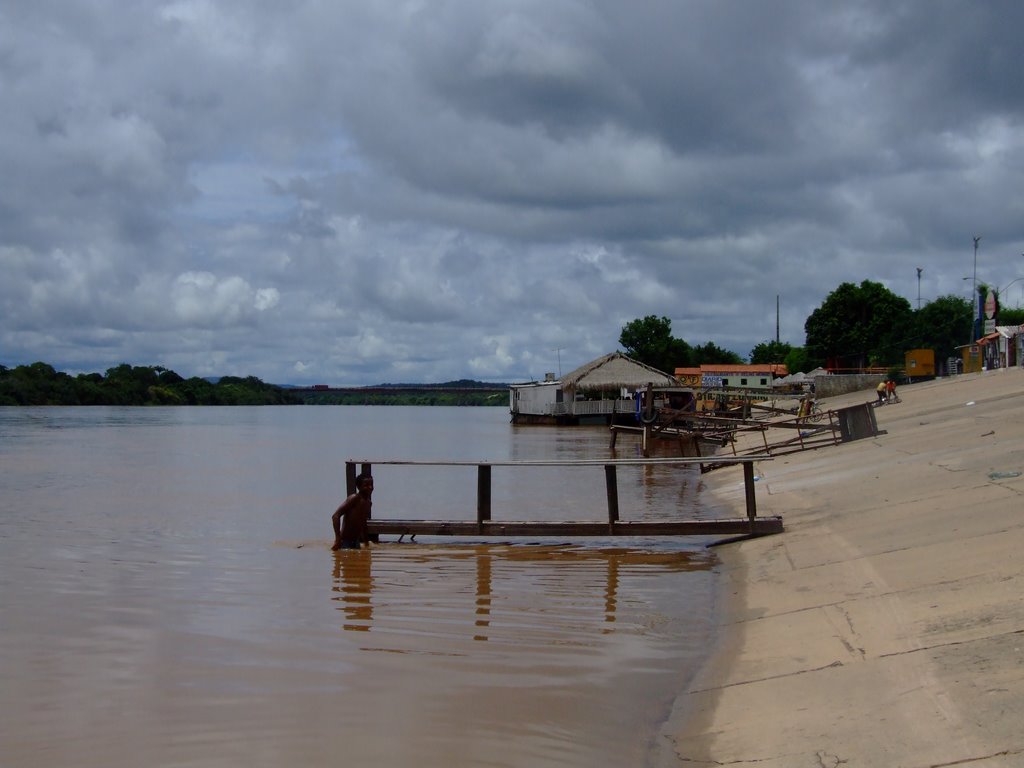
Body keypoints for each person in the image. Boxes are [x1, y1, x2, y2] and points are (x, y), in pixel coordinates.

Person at [332, 472, 373, 550]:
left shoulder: (368, 503)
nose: (370, 487)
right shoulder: (354, 498)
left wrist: (366, 542)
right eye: (366, 485)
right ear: (359, 487)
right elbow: (335, 516)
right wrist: (338, 539)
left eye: (371, 484)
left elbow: (363, 523)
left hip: (356, 542)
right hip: (345, 542)